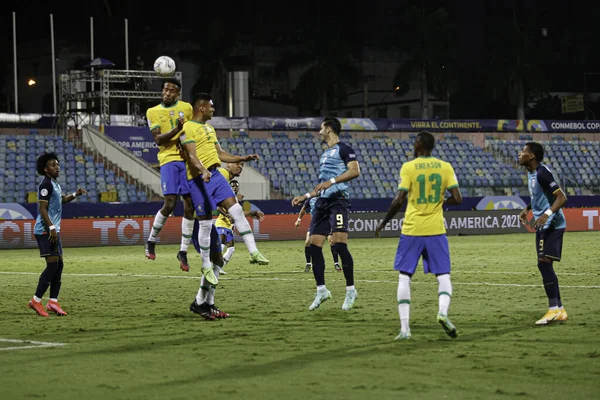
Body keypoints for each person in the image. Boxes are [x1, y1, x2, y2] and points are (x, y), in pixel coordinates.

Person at [375, 131, 462, 340]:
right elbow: (458, 198)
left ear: (418, 145)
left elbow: (398, 200)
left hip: (412, 230)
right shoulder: (445, 167)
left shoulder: (409, 167)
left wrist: (384, 222)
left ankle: (405, 329)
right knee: (443, 276)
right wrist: (441, 202)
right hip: (436, 230)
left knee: (404, 277)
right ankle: (442, 312)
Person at [179, 92, 269, 287]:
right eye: (211, 106)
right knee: (205, 224)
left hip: (216, 175)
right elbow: (192, 156)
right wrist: (203, 170)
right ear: (201, 108)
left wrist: (242, 158)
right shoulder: (187, 127)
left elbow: (220, 154)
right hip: (198, 179)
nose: (213, 109)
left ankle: (253, 252)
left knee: (236, 209)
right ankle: (205, 266)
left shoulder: (210, 129)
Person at [292, 117, 360, 311]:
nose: (319, 131)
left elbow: (355, 171)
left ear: (329, 129)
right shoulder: (324, 154)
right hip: (321, 203)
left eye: (321, 128)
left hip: (338, 201)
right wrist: (304, 196)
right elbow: (321, 187)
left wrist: (332, 181)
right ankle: (322, 290)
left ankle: (350, 290)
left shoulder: (344, 149)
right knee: (313, 245)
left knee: (339, 244)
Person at [144, 78, 196, 273]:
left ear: (177, 94)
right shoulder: (153, 112)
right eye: (165, 89)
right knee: (170, 203)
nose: (167, 93)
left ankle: (183, 251)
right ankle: (151, 240)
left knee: (190, 204)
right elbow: (159, 140)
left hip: (187, 160)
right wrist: (177, 128)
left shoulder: (187, 108)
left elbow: (191, 131)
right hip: (168, 160)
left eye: (172, 90)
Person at [28, 152, 86, 317]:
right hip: (45, 230)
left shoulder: (54, 184)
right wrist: (51, 228)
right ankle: (35, 301)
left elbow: (62, 200)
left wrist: (75, 194)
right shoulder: (45, 184)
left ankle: (53, 302)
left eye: (57, 164)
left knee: (59, 265)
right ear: (45, 169)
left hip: (53, 230)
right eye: (53, 165)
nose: (57, 167)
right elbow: (42, 209)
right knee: (52, 265)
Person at [518, 142, 568, 325]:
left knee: (544, 263)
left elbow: (561, 197)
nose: (520, 154)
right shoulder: (531, 173)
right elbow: (540, 196)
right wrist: (528, 209)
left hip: (553, 225)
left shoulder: (542, 172)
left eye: (523, 152)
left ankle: (554, 309)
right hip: (542, 226)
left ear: (531, 156)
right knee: (544, 264)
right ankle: (559, 310)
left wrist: (547, 215)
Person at [215, 173, 265, 275]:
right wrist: (228, 216)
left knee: (231, 248)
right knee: (221, 244)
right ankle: (213, 266)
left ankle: (219, 267)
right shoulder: (226, 195)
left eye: (236, 186)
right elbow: (218, 207)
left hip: (230, 226)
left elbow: (238, 213)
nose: (235, 188)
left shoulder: (235, 198)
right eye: (232, 186)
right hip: (222, 223)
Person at [295, 198, 341, 273]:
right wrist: (299, 220)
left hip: (327, 223)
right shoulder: (310, 200)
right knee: (307, 242)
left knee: (332, 241)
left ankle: (336, 263)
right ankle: (308, 264)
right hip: (315, 224)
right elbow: (303, 209)